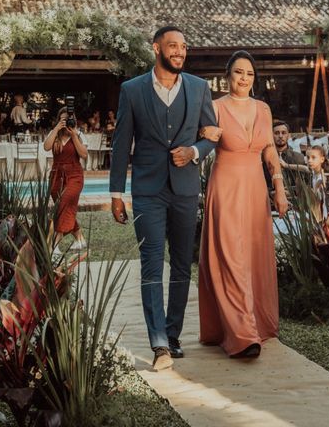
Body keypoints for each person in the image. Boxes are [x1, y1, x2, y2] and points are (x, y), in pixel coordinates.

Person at [109, 26, 217, 371]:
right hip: (147, 192)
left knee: (182, 265)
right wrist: (116, 193)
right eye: (173, 46)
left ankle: (173, 334)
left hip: (186, 190)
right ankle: (158, 342)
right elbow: (122, 143)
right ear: (156, 48)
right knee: (153, 264)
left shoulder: (200, 88)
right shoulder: (132, 90)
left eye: (184, 47)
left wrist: (195, 151)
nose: (180, 52)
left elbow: (211, 135)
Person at [199, 50, 287, 359]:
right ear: (227, 76)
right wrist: (202, 133)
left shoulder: (263, 109)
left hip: (255, 186)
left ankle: (256, 322)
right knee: (229, 253)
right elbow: (204, 141)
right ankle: (241, 334)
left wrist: (279, 186)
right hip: (225, 184)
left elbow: (269, 151)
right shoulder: (215, 107)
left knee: (252, 251)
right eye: (238, 72)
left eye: (249, 73)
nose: (244, 78)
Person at [43, 107, 88, 255]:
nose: (67, 121)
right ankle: (79, 239)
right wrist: (57, 128)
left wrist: (74, 135)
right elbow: (46, 147)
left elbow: (84, 155)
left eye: (69, 118)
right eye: (63, 119)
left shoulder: (79, 134)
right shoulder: (54, 134)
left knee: (63, 205)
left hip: (74, 176)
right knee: (64, 207)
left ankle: (54, 244)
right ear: (59, 120)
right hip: (56, 176)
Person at [264, 120, 306, 189]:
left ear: (288, 135)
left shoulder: (298, 158)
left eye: (283, 133)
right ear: (271, 135)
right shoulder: (265, 158)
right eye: (277, 133)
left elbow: (304, 184)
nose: (280, 136)